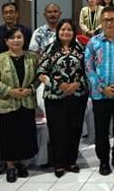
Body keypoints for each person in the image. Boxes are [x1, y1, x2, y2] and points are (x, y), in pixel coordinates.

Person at [36, 19, 88, 178]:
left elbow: (89, 69)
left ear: (74, 32)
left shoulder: (81, 48)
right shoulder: (50, 49)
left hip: (78, 95)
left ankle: (71, 161)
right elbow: (41, 73)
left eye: (69, 30)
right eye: (63, 30)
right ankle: (58, 163)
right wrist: (58, 85)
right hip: (55, 97)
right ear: (58, 32)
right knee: (58, 130)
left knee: (75, 128)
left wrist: (76, 85)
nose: (66, 32)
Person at [84, 7, 114, 176]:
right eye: (106, 20)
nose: (109, 23)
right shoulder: (93, 42)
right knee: (101, 129)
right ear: (101, 22)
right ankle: (103, 160)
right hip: (100, 94)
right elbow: (89, 68)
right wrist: (102, 87)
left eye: (112, 19)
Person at [0, 28, 39, 183]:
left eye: (19, 37)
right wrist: (10, 91)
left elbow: (39, 77)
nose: (16, 40)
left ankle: (20, 163)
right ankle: (10, 166)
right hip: (7, 103)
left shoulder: (32, 57)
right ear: (6, 42)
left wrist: (30, 89)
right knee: (9, 135)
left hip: (26, 102)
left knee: (24, 134)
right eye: (12, 38)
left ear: (24, 40)